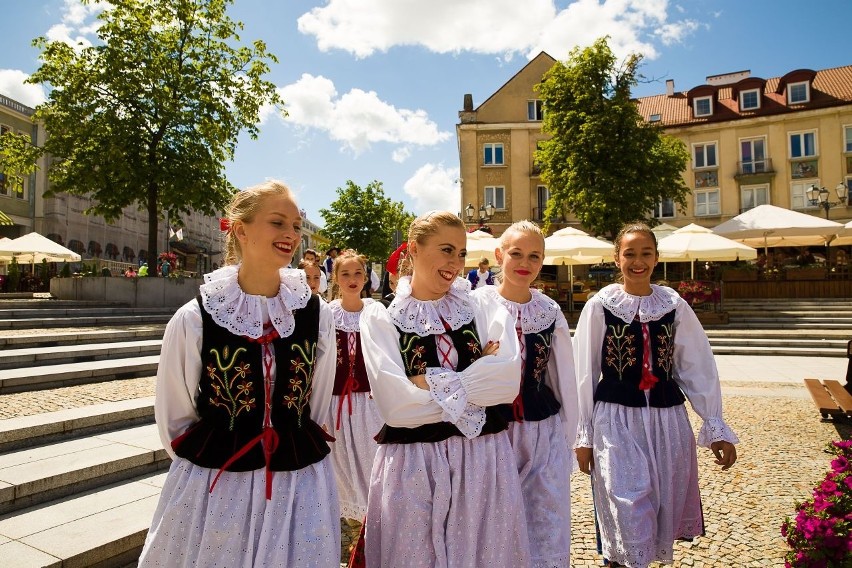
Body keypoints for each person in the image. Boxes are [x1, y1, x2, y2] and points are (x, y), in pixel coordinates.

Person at [138, 180, 340, 567]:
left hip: (297, 481)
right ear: (241, 229)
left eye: (296, 226)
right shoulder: (195, 318)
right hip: (217, 486)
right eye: (278, 222)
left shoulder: (318, 316)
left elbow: (316, 402)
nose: (291, 235)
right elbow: (175, 419)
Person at [359, 210, 531, 567]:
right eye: (446, 250)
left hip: (482, 457)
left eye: (462, 253)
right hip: (414, 463)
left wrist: (425, 383)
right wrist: (474, 376)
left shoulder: (481, 305)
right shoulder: (382, 317)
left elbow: (505, 384)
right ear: (415, 250)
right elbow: (397, 409)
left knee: (484, 555)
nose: (456, 263)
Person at [573, 222, 739, 568]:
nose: (637, 261)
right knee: (626, 502)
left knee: (660, 503)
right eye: (629, 254)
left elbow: (695, 364)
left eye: (645, 253)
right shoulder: (600, 305)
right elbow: (583, 372)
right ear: (616, 258)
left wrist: (715, 424)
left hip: (667, 419)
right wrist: (583, 434)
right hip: (616, 418)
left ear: (656, 258)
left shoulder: (673, 304)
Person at [474, 220, 578, 568]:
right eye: (517, 253)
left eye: (535, 256)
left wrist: (569, 436)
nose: (525, 262)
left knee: (544, 511)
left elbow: (563, 374)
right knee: (494, 514)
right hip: (491, 433)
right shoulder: (476, 305)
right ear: (499, 255)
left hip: (540, 430)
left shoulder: (548, 311)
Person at [326, 249, 383, 558]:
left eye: (357, 273)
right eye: (345, 274)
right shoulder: (326, 314)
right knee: (341, 467)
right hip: (335, 405)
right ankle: (349, 537)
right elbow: (320, 363)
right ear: (336, 278)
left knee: (371, 465)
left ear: (366, 277)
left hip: (369, 405)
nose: (351, 279)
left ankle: (369, 532)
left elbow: (388, 357)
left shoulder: (376, 312)